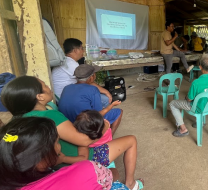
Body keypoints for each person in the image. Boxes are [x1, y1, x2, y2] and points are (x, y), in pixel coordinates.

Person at [1, 76, 143, 189]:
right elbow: (85, 141)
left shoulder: (17, 120)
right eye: (45, 85)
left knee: (113, 171)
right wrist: (105, 128)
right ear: (40, 97)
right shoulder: (50, 118)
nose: (49, 87)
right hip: (75, 160)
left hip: (53, 163)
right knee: (131, 140)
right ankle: (130, 183)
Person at [0, 117, 125, 190]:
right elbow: (113, 174)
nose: (60, 147)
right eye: (57, 142)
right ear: (41, 160)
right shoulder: (86, 170)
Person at [58, 64, 122, 134]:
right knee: (119, 112)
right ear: (91, 77)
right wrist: (111, 106)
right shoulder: (93, 89)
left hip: (68, 123)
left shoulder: (67, 88)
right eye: (94, 74)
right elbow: (98, 114)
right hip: (84, 124)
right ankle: (108, 138)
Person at [169, 54, 208, 137]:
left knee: (173, 104)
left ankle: (183, 129)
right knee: (203, 97)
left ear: (200, 67)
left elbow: (189, 99)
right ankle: (201, 122)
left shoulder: (196, 82)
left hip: (197, 107)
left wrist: (186, 97)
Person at [51, 38, 112, 106]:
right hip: (66, 99)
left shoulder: (67, 61)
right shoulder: (70, 64)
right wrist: (106, 92)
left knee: (94, 93)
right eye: (81, 48)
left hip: (65, 95)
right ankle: (96, 115)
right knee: (105, 99)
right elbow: (88, 82)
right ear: (75, 50)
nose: (83, 51)